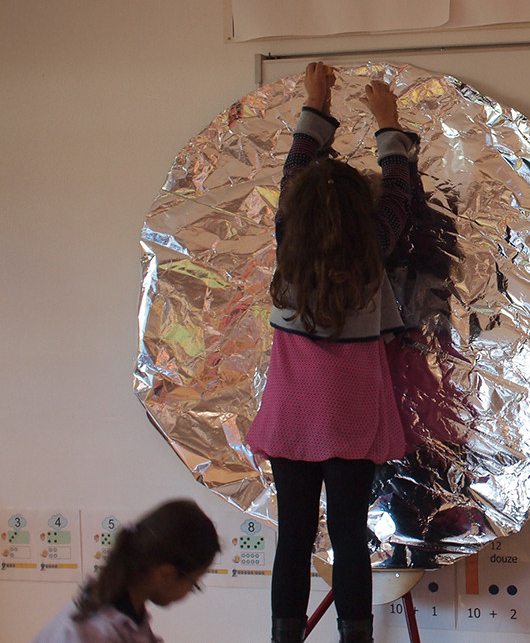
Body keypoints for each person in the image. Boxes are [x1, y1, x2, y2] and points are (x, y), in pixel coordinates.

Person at [245, 62, 420, 643]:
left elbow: (297, 169)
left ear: (292, 219)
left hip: (293, 416)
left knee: (293, 536)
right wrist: (388, 121)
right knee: (348, 537)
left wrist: (316, 107)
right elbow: (397, 187)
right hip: (351, 418)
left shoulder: (289, 254)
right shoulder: (373, 247)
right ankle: (357, 638)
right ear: (359, 217)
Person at [32, 498, 220, 643]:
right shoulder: (89, 632)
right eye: (193, 583)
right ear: (166, 574)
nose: (189, 591)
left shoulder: (127, 613)